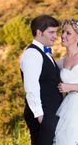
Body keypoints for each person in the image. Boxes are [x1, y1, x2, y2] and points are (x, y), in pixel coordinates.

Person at [19, 14, 62, 145]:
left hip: (49, 112)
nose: (55, 36)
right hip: (43, 113)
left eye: (56, 32)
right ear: (39, 32)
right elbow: (31, 86)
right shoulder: (32, 54)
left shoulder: (44, 52)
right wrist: (40, 115)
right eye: (51, 32)